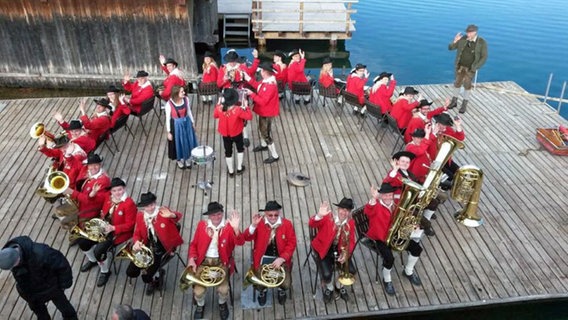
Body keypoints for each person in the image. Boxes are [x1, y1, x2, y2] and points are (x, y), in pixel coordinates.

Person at [187, 202, 244, 320]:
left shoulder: (229, 227)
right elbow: (193, 245)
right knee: (198, 291)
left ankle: (222, 304)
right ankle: (200, 305)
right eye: (213, 215)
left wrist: (236, 229)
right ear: (208, 216)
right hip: (203, 263)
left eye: (219, 214)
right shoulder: (201, 226)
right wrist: (192, 259)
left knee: (224, 289)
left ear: (222, 214)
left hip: (221, 262)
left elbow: (240, 242)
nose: (216, 217)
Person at [364, 183, 423, 296]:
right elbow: (368, 211)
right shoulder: (376, 206)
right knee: (389, 259)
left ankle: (408, 271)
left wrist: (413, 225)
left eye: (390, 195)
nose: (388, 198)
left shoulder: (396, 204)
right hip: (380, 238)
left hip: (395, 235)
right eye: (385, 195)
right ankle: (387, 280)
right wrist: (373, 198)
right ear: (380, 196)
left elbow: (405, 217)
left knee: (417, 249)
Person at [0, 235, 78, 320]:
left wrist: (64, 284)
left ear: (17, 258)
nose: (12, 268)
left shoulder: (43, 252)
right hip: (32, 294)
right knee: (41, 315)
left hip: (52, 287)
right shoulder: (6, 257)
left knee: (64, 306)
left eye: (12, 266)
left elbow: (62, 264)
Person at [77, 177, 136, 287]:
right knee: (82, 242)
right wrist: (93, 192)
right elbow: (91, 200)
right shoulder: (108, 197)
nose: (117, 192)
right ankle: (93, 260)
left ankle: (105, 271)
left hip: (117, 233)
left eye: (120, 189)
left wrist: (113, 228)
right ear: (111, 191)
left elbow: (130, 225)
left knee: (99, 251)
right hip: (103, 227)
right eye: (114, 190)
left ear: (124, 189)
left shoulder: (129, 204)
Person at [127, 192, 184, 295]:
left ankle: (155, 279)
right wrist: (136, 242)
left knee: (146, 276)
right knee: (131, 271)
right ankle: (151, 272)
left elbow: (178, 216)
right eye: (147, 206)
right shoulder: (140, 216)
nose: (151, 208)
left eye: (152, 204)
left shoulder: (163, 211)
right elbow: (137, 233)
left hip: (163, 247)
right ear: (143, 207)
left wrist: (172, 215)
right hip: (147, 246)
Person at [243, 201, 297, 306]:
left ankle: (281, 290)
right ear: (265, 214)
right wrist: (253, 225)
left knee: (286, 284)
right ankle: (263, 291)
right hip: (262, 261)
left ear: (279, 213)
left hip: (281, 261)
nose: (273, 217)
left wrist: (282, 258)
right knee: (259, 284)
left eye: (276, 215)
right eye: (270, 215)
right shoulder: (259, 223)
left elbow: (292, 243)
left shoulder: (287, 224)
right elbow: (246, 238)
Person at [309, 199, 356, 303]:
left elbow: (351, 241)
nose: (344, 213)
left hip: (339, 250)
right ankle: (329, 288)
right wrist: (319, 215)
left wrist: (346, 254)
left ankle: (339, 286)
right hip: (324, 249)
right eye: (342, 210)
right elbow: (312, 224)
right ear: (338, 209)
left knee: (351, 271)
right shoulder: (327, 217)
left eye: (347, 211)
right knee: (326, 275)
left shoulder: (351, 223)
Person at [244, 62, 281, 164]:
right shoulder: (266, 81)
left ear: (264, 72)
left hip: (267, 112)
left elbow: (263, 101)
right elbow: (257, 85)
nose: (260, 72)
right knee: (262, 129)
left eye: (261, 70)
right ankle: (264, 145)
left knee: (265, 133)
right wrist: (248, 78)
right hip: (264, 111)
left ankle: (275, 155)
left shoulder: (270, 86)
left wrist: (251, 94)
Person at [62, 153, 110, 227]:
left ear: (100, 165)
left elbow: (90, 201)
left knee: (65, 223)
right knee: (59, 211)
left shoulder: (103, 181)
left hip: (89, 210)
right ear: (88, 166)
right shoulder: (85, 170)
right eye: (91, 165)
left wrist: (72, 192)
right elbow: (75, 163)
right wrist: (68, 155)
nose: (93, 167)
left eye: (96, 165)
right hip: (78, 202)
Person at [448, 24, 488, 113]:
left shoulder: (481, 42)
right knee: (457, 83)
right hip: (460, 66)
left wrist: (475, 67)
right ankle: (454, 101)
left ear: (475, 32)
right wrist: (455, 41)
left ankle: (464, 104)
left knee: (467, 85)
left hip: (471, 68)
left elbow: (484, 57)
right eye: (467, 32)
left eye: (470, 32)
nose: (468, 34)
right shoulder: (463, 39)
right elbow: (450, 48)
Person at [213, 88, 253, 176]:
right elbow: (249, 117)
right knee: (240, 149)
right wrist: (246, 106)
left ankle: (231, 171)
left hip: (225, 134)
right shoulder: (237, 110)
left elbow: (215, 115)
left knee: (228, 151)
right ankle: (239, 168)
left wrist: (218, 104)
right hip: (237, 132)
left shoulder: (219, 108)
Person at [165, 85, 198, 169]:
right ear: (176, 94)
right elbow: (168, 119)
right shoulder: (169, 104)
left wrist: (192, 122)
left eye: (183, 91)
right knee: (178, 142)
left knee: (188, 140)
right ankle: (179, 160)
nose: (184, 93)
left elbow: (189, 112)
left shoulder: (186, 99)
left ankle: (187, 159)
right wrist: (168, 132)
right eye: (182, 92)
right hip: (176, 125)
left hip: (186, 123)